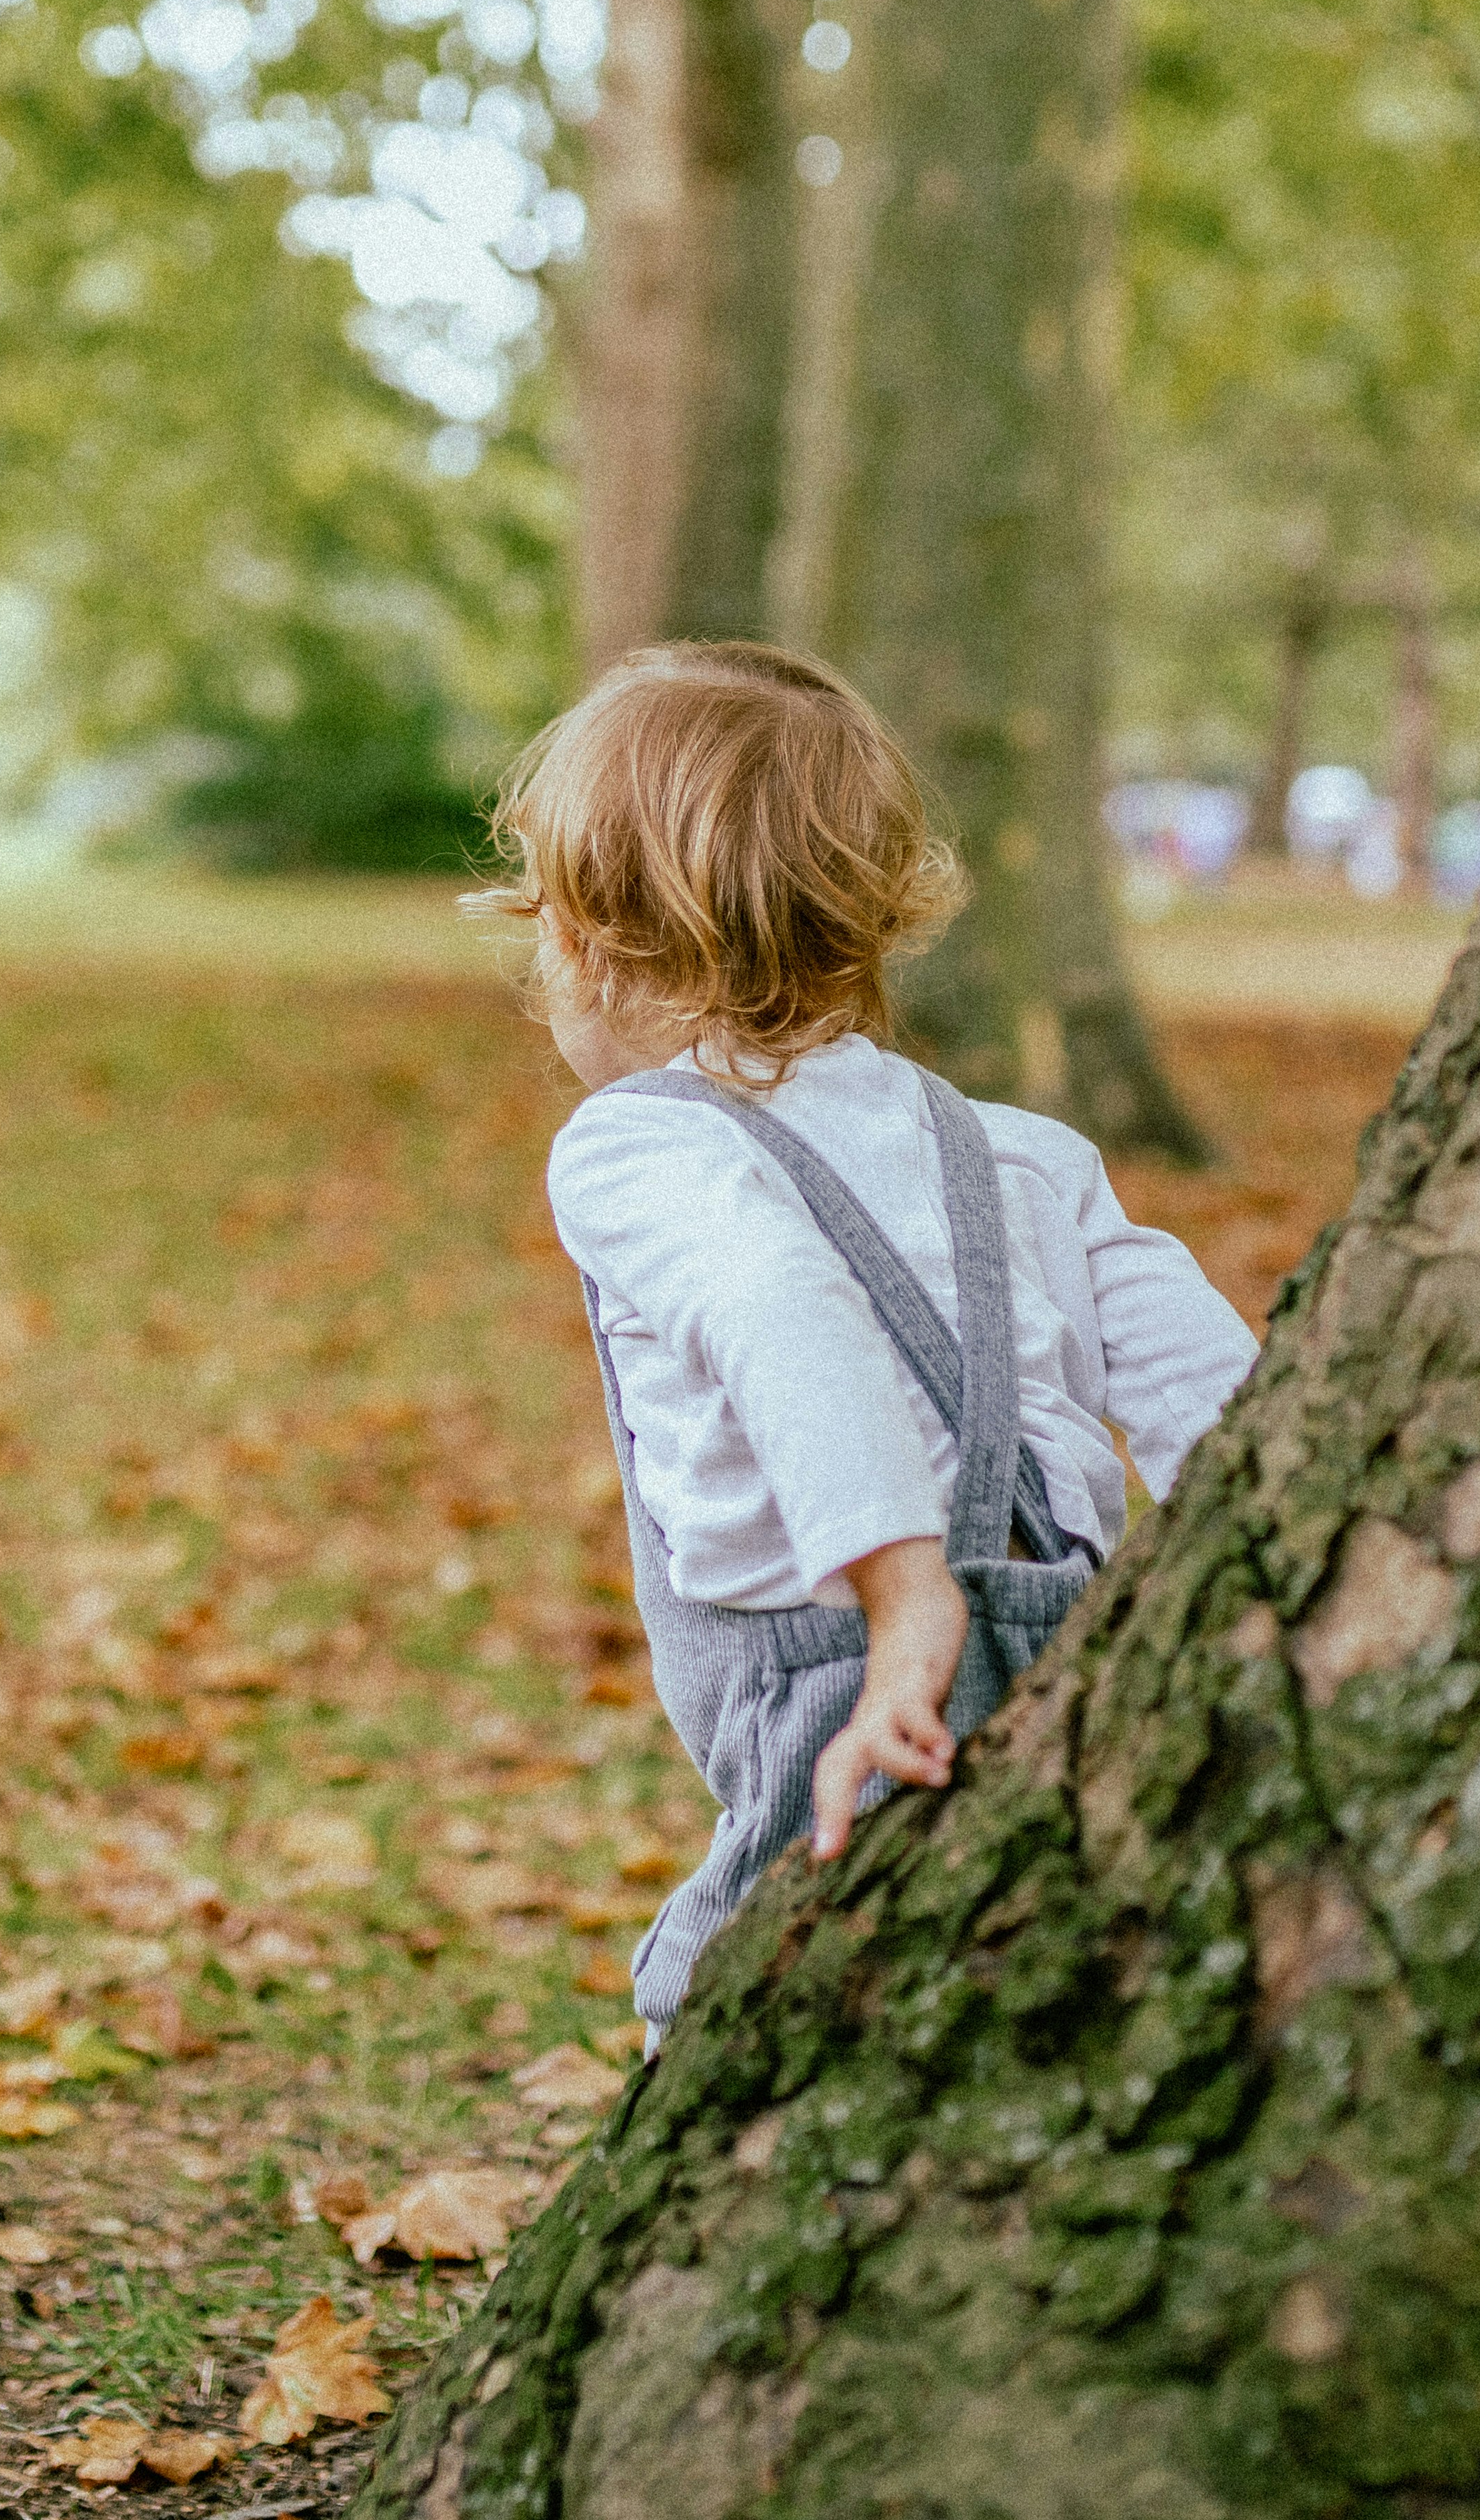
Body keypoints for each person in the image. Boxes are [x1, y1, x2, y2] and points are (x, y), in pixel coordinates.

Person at [469, 641, 1260, 2039]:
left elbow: (783, 1309)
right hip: (1083, 1672)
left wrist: (907, 1604)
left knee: (734, 2026)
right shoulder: (1023, 1149)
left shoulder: (640, 1141)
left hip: (850, 1688)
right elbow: (1216, 1391)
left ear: (591, 937)